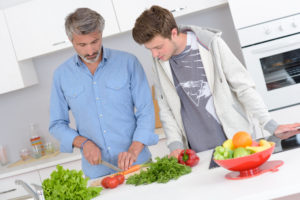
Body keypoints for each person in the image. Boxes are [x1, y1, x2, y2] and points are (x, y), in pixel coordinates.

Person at [132, 5, 300, 158]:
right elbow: (166, 107)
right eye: (150, 49)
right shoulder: (160, 62)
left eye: (158, 47)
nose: (154, 54)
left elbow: (243, 87)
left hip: (237, 142)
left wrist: (270, 125)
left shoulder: (211, 44)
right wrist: (174, 144)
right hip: (198, 152)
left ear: (173, 33)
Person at [49, 8, 158, 178]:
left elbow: (146, 111)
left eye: (95, 41)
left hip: (138, 165)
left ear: (101, 34)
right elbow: (57, 124)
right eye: (82, 45)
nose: (90, 51)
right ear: (71, 41)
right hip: (97, 173)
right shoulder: (61, 76)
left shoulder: (128, 63)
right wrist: (84, 143)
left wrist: (134, 150)